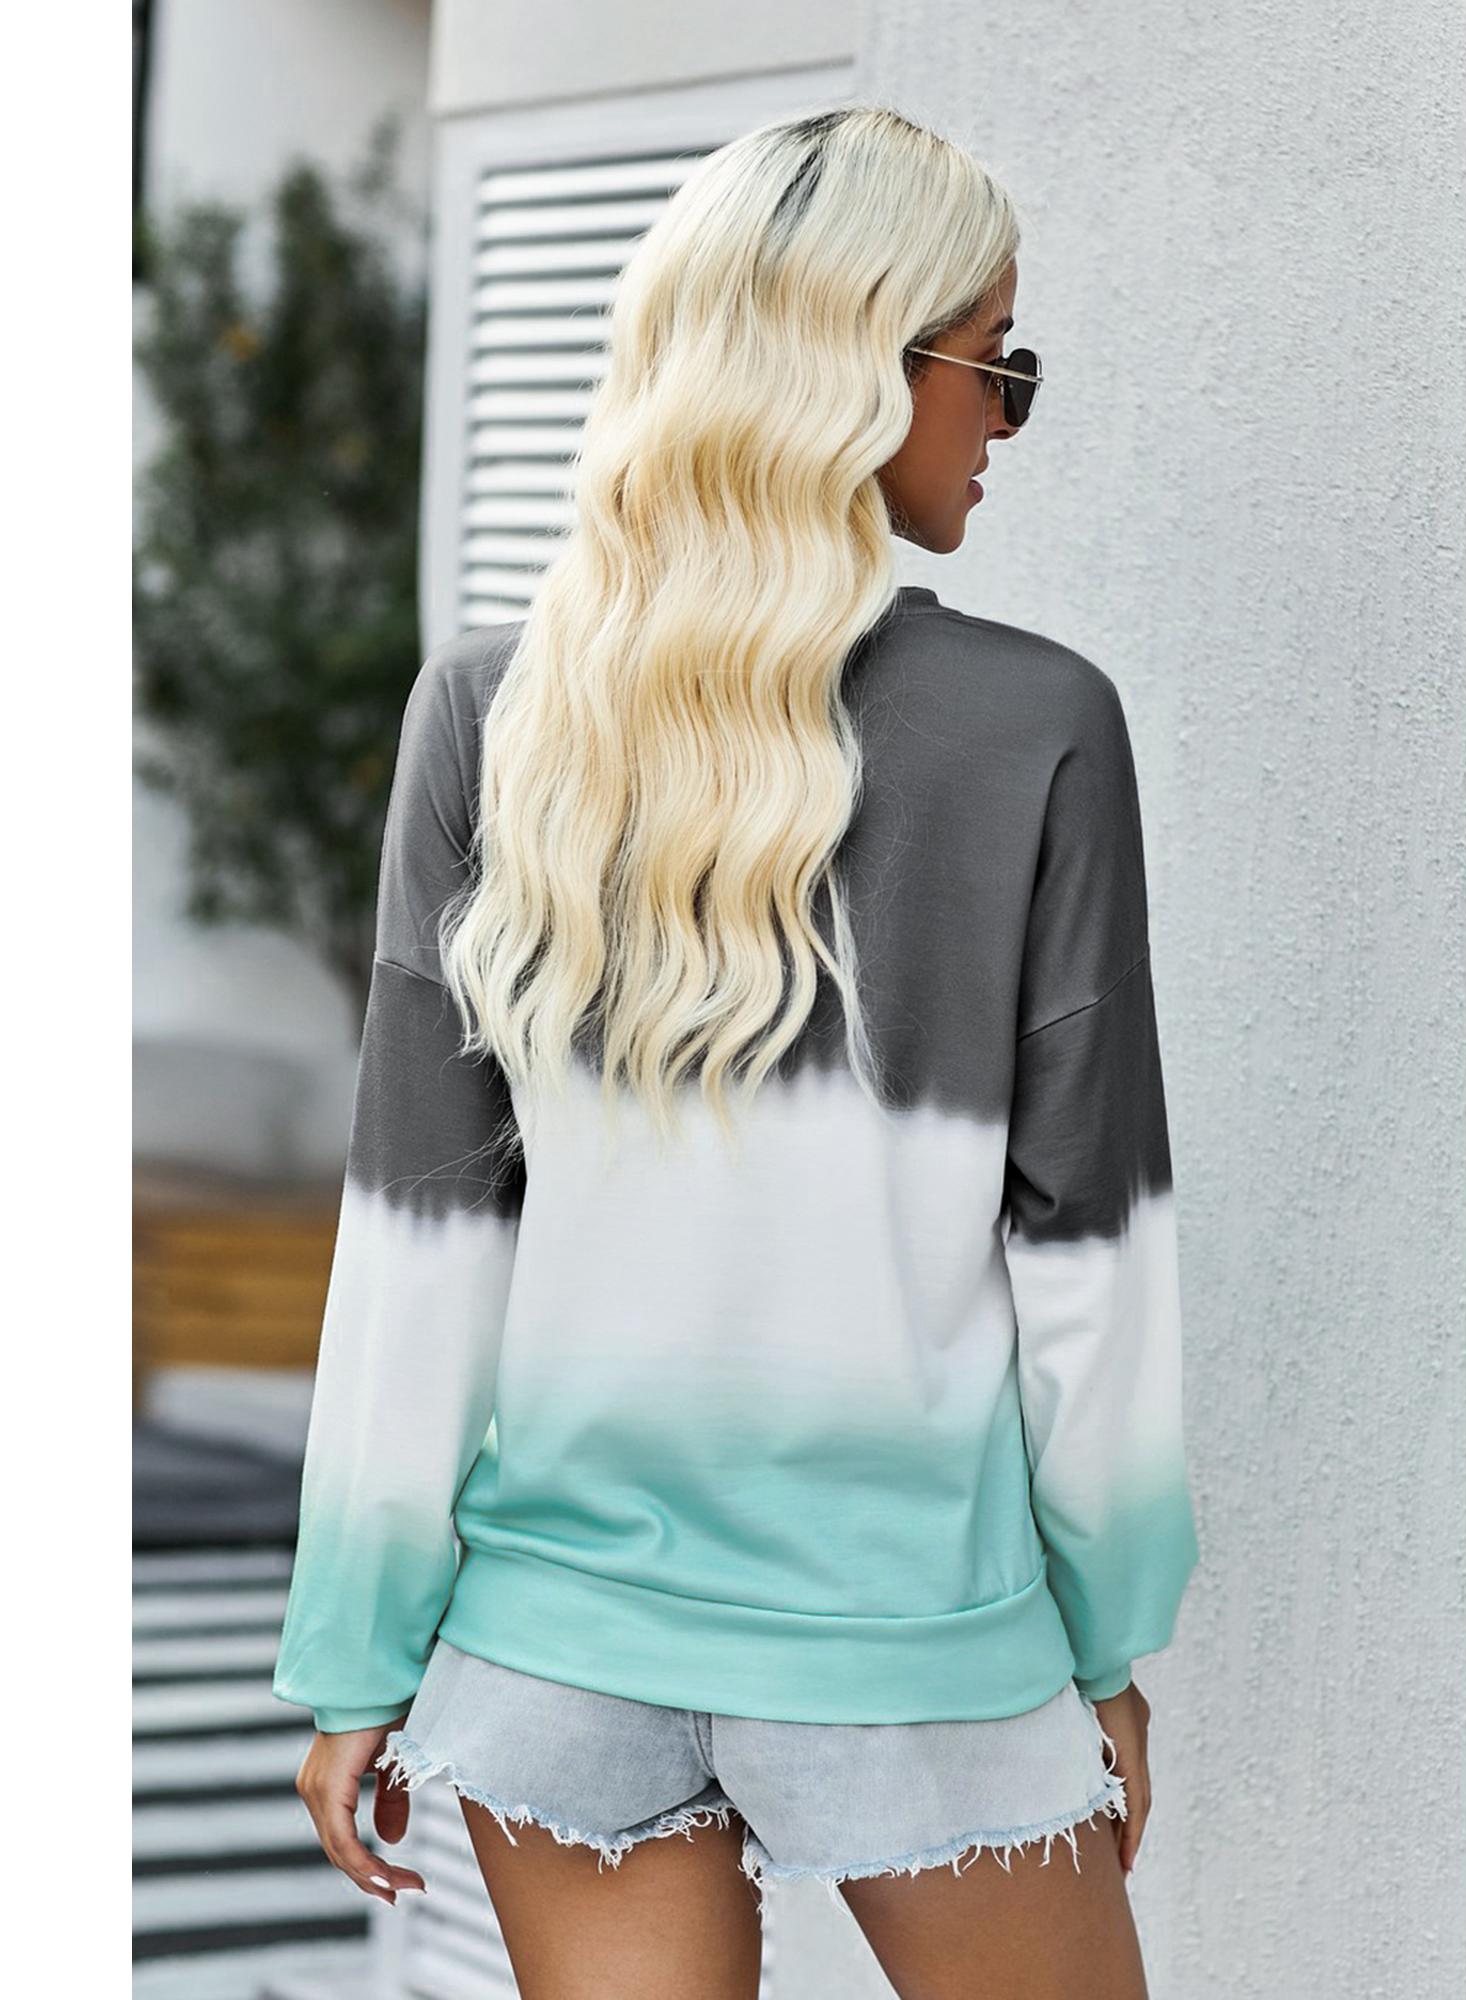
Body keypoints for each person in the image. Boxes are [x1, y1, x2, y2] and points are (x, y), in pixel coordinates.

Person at [275, 104, 1199, 2000]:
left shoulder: (490, 713)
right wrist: (1107, 1641)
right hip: (914, 1645)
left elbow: (419, 1240)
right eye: (994, 365)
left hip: (557, 1640)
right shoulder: (1040, 726)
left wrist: (355, 1656)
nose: (1005, 418)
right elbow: (1089, 1258)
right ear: (863, 368)